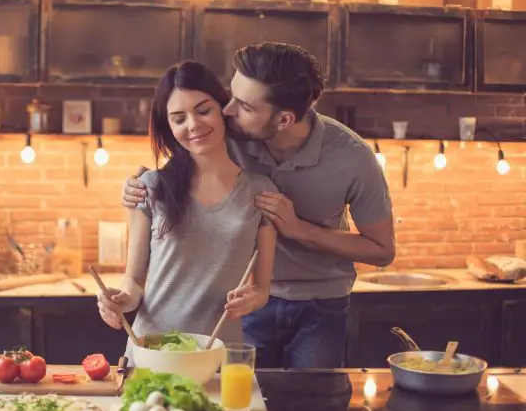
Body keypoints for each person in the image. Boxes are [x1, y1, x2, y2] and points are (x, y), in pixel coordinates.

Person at [121, 43, 396, 369]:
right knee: (248, 400)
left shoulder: (353, 157)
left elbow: (382, 250)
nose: (227, 110)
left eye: (244, 105)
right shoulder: (231, 131)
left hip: (319, 303)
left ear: (283, 119)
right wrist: (142, 184)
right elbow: (187, 147)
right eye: (231, 95)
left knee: (312, 401)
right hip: (243, 305)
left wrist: (301, 230)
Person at [97, 60, 277, 360]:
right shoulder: (150, 186)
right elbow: (134, 280)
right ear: (169, 126)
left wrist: (253, 299)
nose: (193, 125)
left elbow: (262, 288)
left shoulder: (261, 191)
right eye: (179, 118)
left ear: (224, 109)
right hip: (152, 350)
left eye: (203, 110)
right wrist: (119, 299)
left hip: (219, 353)